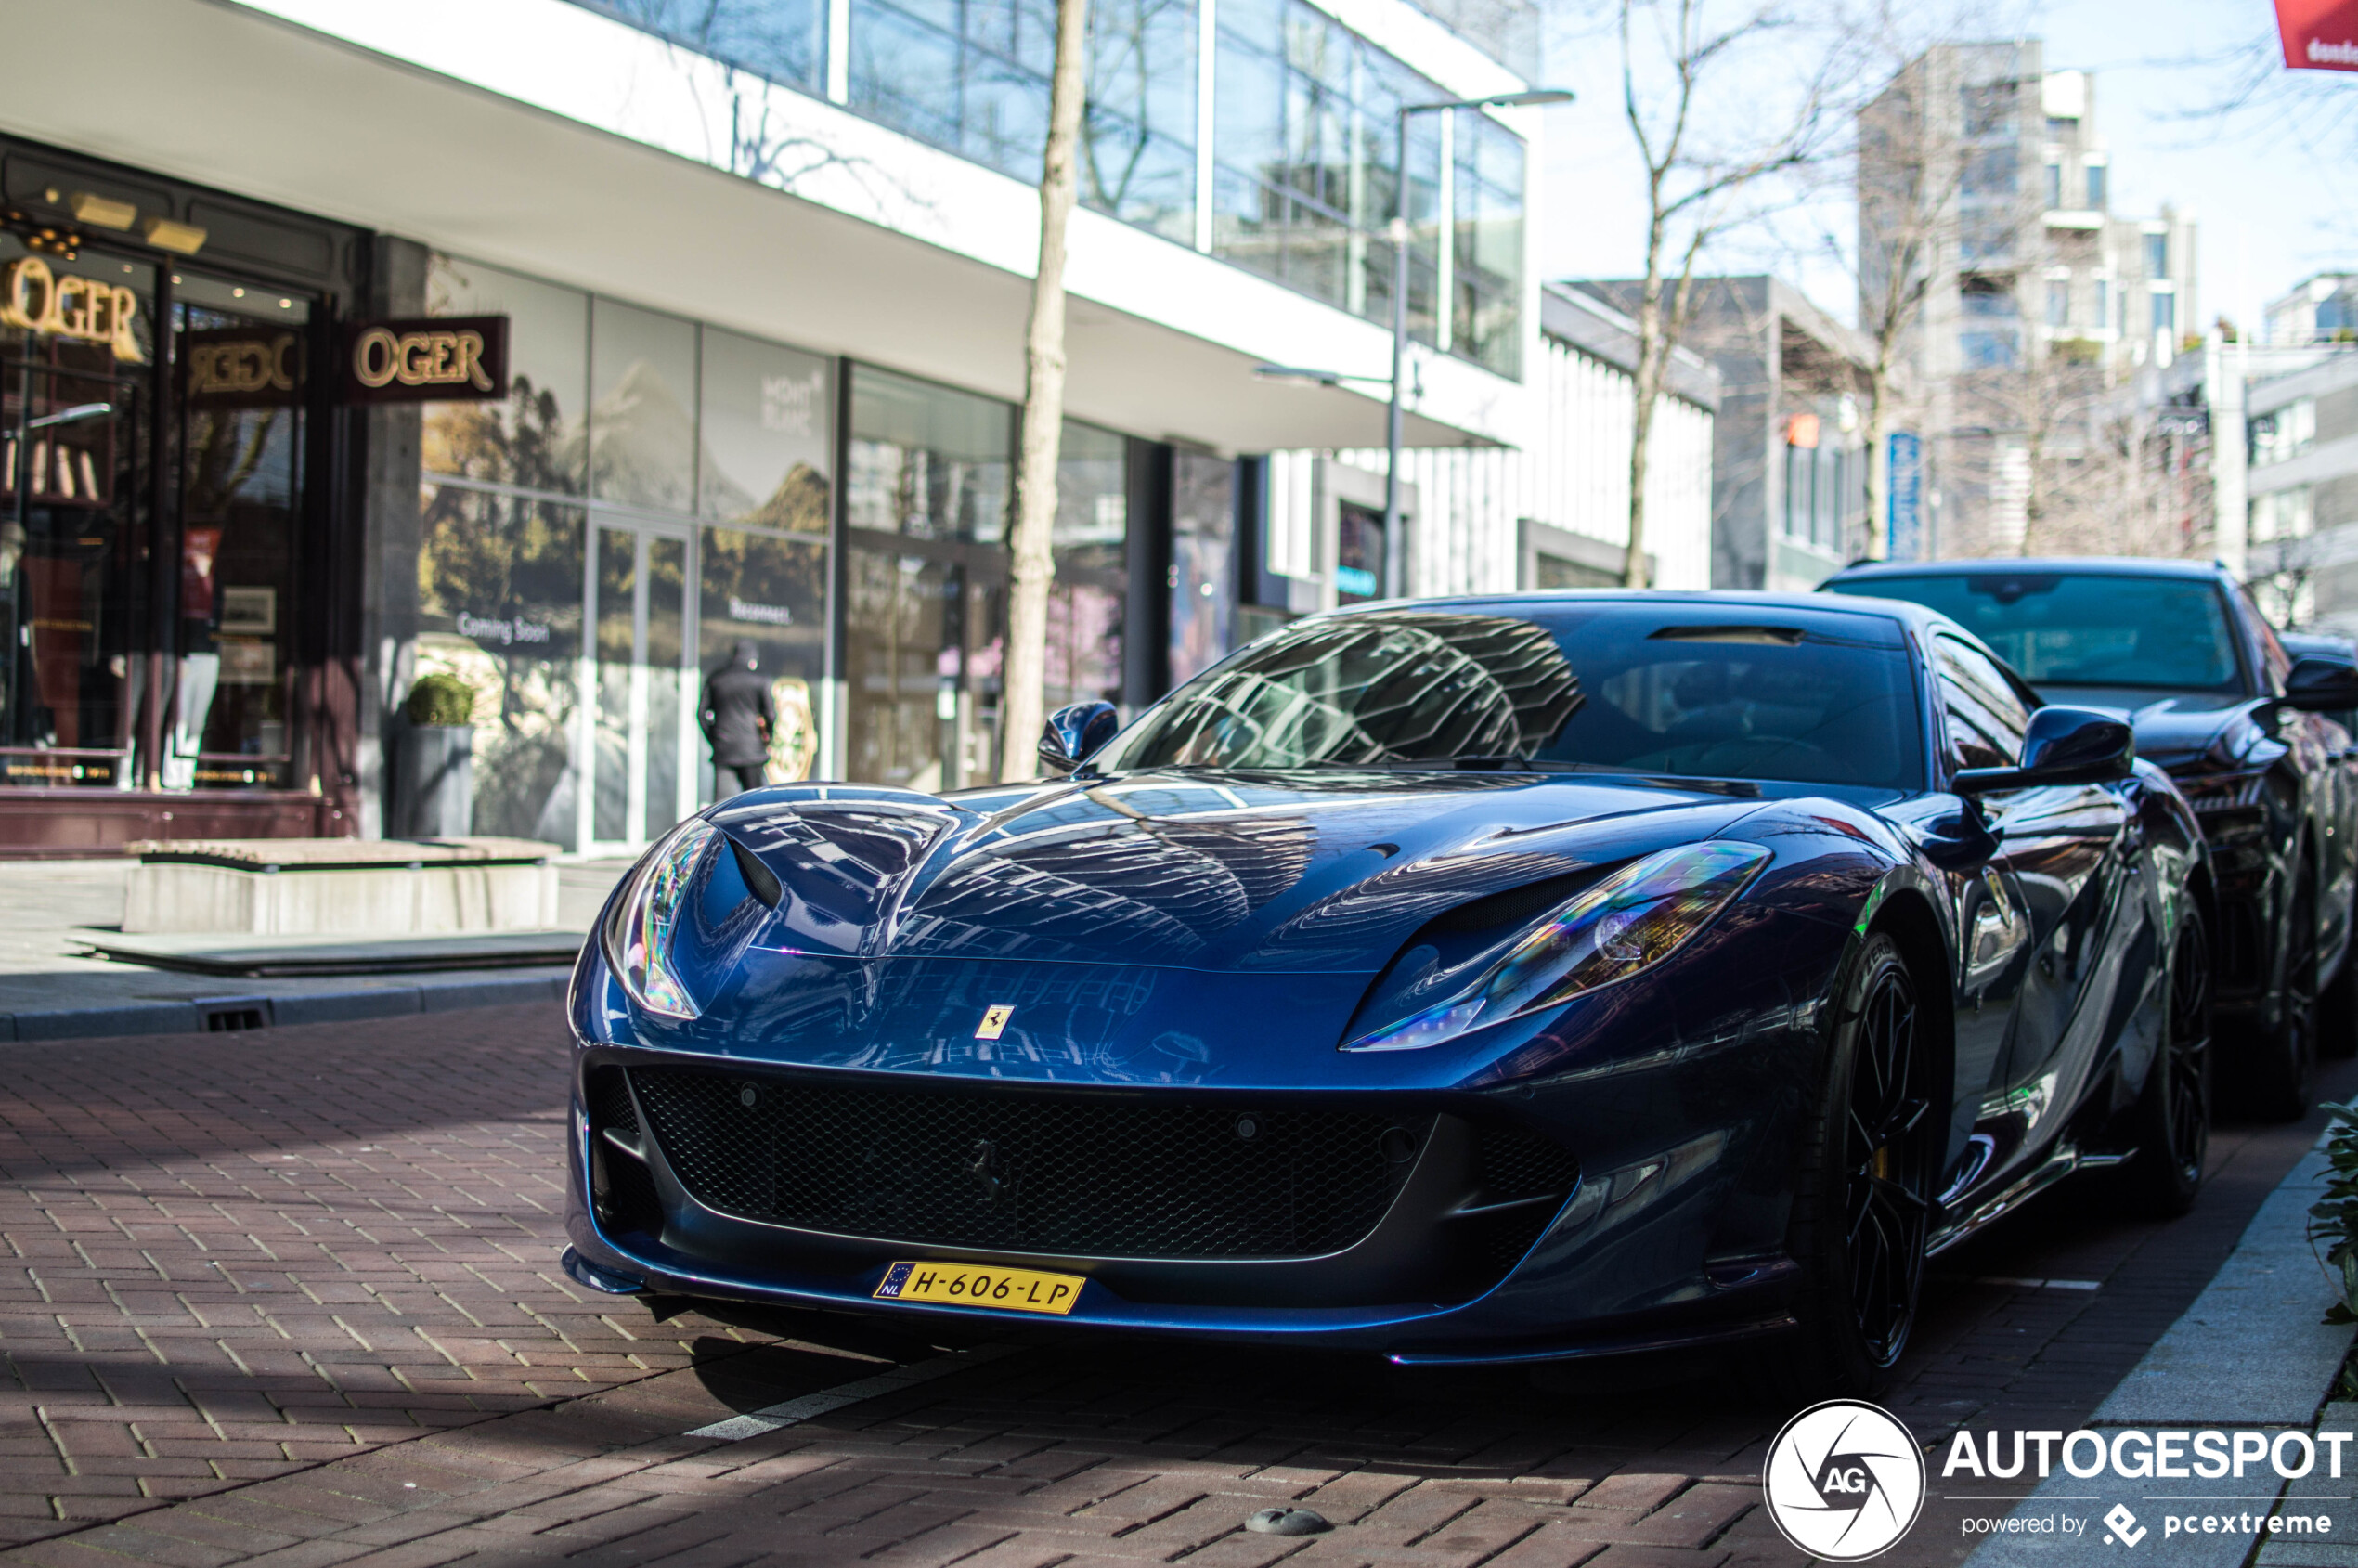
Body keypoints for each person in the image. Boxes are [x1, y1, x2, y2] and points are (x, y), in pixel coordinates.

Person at [700, 640, 775, 797]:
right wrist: (767, 738)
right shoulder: (759, 680)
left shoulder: (716, 679)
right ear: (751, 658)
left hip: (724, 750)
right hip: (752, 751)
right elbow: (770, 715)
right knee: (755, 804)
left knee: (723, 808)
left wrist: (714, 739)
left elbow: (701, 715)